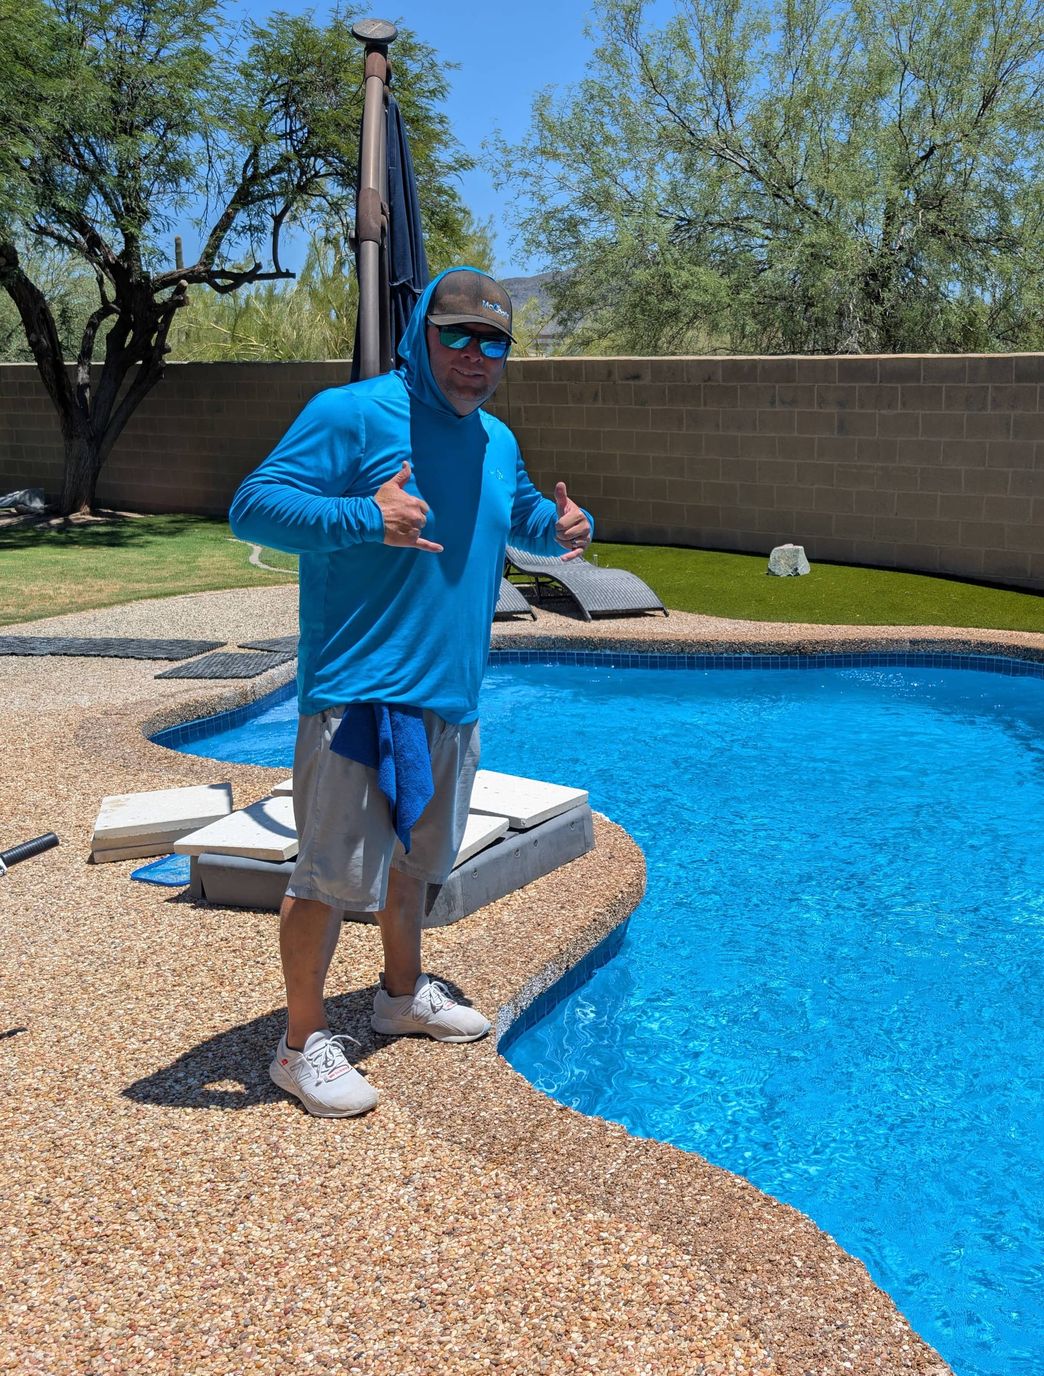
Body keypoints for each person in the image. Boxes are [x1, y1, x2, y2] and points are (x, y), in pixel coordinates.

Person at [229, 267, 593, 1118]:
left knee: (416, 866)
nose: (473, 356)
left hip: (451, 697)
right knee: (325, 877)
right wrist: (366, 518)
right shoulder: (350, 415)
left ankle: (399, 996)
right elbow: (251, 507)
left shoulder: (495, 440)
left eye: (492, 341)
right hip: (359, 693)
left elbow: (526, 513)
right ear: (419, 334)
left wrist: (563, 528)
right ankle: (299, 1044)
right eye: (456, 335)